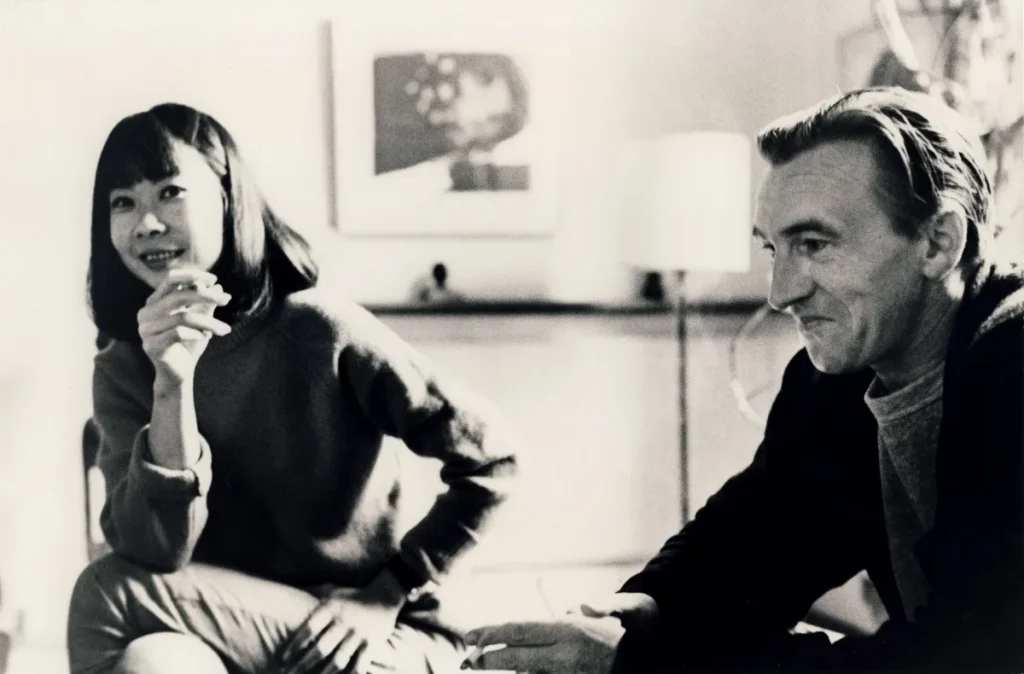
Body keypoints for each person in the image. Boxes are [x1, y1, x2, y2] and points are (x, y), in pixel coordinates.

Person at [465, 86, 1024, 672]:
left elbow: (968, 656)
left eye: (814, 244)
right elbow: (752, 536)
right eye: (773, 250)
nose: (781, 293)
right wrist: (643, 608)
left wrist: (647, 662)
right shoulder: (832, 381)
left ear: (938, 243)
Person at [67, 102, 518, 674]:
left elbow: (494, 460)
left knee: (105, 592)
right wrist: (171, 384)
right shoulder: (124, 367)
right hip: (233, 627)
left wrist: (389, 590)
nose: (146, 223)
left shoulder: (319, 328)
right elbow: (157, 553)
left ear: (227, 198)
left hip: (371, 636)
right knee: (152, 660)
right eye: (123, 202)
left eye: (170, 192)